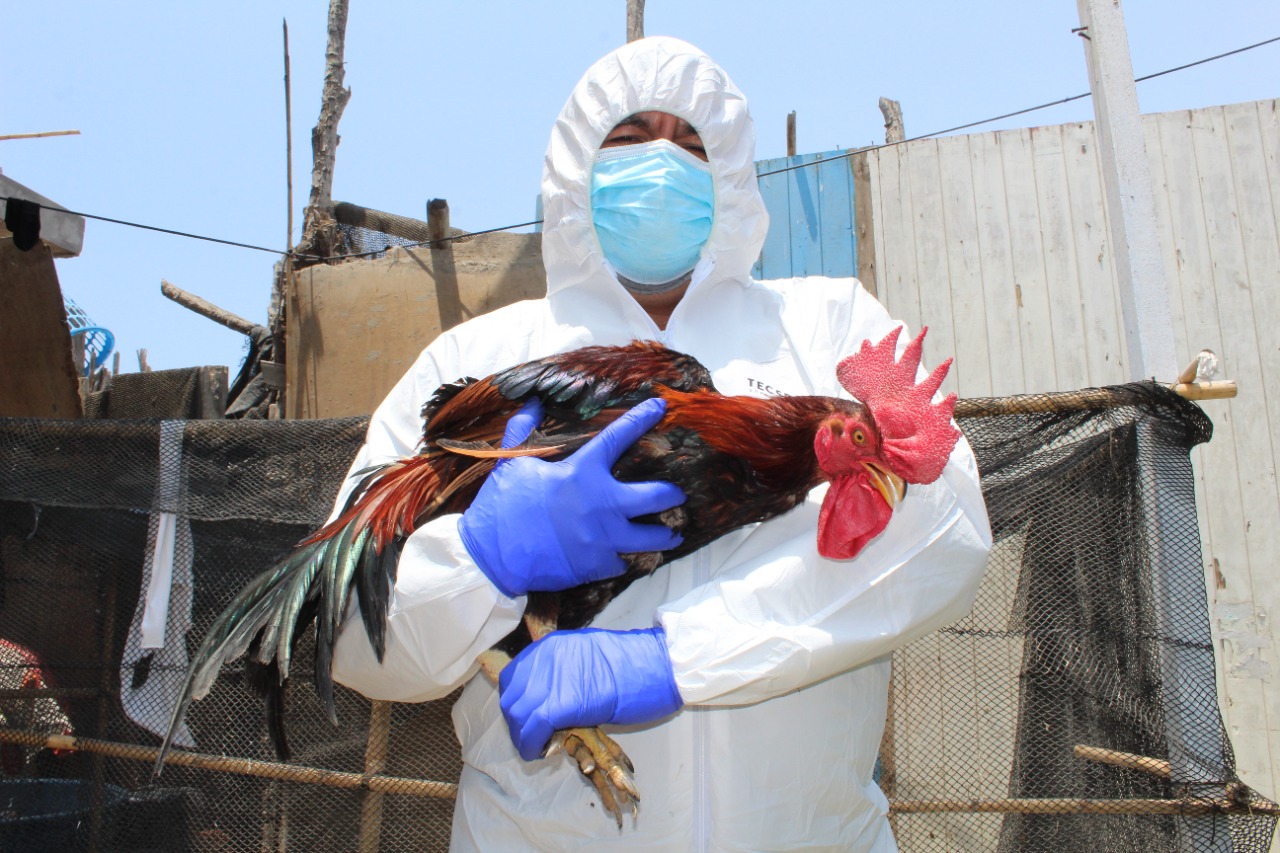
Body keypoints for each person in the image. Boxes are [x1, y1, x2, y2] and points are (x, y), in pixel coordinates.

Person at [331, 35, 991, 852]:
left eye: (690, 143)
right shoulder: (479, 353)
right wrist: (482, 557)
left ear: (732, 175)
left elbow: (948, 529)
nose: (661, 162)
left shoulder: (825, 326)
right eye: (631, 137)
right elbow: (355, 639)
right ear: (579, 167)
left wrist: (674, 658)